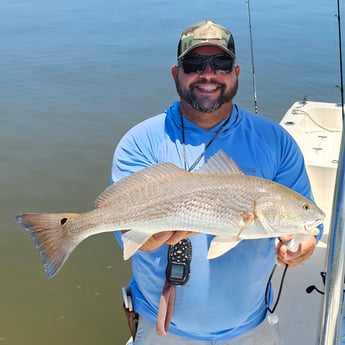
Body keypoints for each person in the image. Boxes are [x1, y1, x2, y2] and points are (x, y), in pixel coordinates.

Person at [111, 20, 322, 345]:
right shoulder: (141, 142)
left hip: (252, 328)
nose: (207, 74)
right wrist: (156, 236)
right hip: (161, 329)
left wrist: (303, 246)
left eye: (220, 64)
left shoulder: (276, 141)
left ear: (235, 73)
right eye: (194, 64)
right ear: (175, 74)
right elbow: (127, 233)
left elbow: (304, 226)